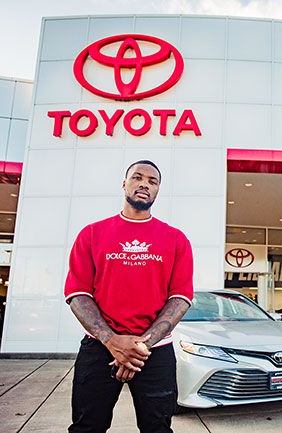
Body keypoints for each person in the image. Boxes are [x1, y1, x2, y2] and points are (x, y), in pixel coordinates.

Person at [64, 160, 193, 433]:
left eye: (153, 181)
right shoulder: (91, 234)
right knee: (87, 427)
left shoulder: (175, 239)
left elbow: (180, 298)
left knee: (158, 428)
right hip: (98, 349)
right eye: (137, 177)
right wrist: (112, 342)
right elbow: (78, 295)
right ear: (125, 184)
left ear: (158, 191)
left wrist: (139, 348)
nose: (144, 184)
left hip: (155, 353)